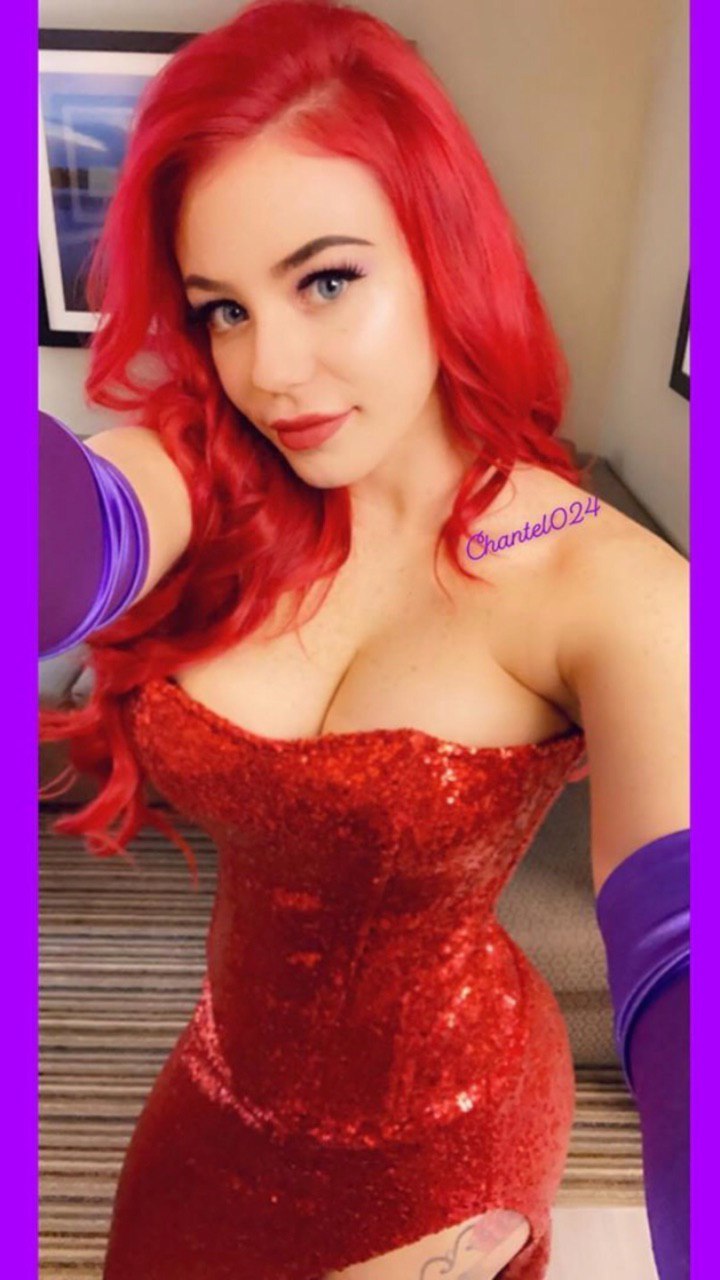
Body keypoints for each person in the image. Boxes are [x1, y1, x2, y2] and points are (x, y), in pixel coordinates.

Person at [38, 1, 689, 1276]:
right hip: (215, 1086)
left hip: (443, 1147)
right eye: (223, 309)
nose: (272, 370)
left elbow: (686, 962)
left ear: (444, 254)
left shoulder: (609, 588)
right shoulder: (210, 477)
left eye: (327, 280)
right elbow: (65, 531)